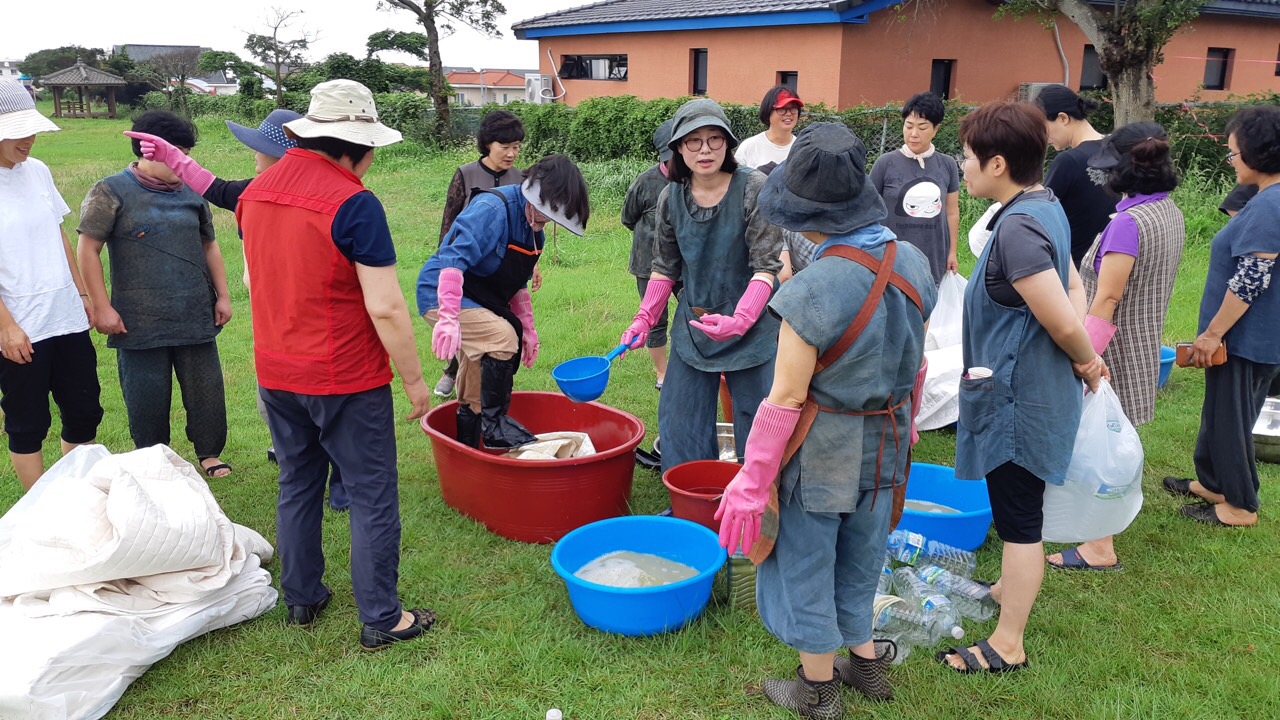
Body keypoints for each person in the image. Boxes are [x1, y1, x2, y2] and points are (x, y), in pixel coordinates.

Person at [716, 122, 935, 716]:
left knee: (807, 561)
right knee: (865, 552)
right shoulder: (913, 261)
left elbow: (784, 400)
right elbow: (916, 359)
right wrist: (909, 425)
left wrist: (752, 481)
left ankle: (817, 691)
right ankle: (866, 666)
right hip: (891, 440)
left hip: (824, 451)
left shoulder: (811, 290)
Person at [235, 79, 435, 650]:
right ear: (358, 146)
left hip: (275, 370)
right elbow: (387, 306)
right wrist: (415, 379)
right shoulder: (355, 203)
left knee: (297, 481)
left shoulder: (255, 192)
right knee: (372, 493)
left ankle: (302, 597)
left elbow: (259, 279)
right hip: (345, 376)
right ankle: (382, 616)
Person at [941, 101, 1105, 674]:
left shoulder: (1018, 230)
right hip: (1024, 385)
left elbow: (1059, 317)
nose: (961, 167)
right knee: (1019, 512)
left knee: (1019, 523)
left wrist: (1087, 361)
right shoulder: (1044, 205)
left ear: (999, 163)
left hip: (1020, 397)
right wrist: (1079, 342)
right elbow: (1072, 284)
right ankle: (1007, 590)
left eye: (966, 157)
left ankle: (1007, 644)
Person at [128, 110, 349, 511]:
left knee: (312, 401)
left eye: (259, 150)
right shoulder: (261, 192)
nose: (253, 155)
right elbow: (216, 188)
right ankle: (309, 468)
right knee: (284, 401)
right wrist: (176, 159)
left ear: (281, 156)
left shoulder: (288, 196)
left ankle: (332, 479)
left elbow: (217, 191)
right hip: (280, 320)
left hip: (307, 321)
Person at [1045, 122, 1184, 571]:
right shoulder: (1168, 211)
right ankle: (1101, 524)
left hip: (1112, 348)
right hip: (1143, 338)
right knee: (1113, 438)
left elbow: (1107, 297)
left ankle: (1099, 545)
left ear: (1124, 172)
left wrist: (1085, 356)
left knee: (1097, 442)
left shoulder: (1128, 224)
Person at [620, 98, 783, 472]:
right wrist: (644, 319)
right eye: (693, 141)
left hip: (752, 328)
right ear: (678, 147)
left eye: (714, 139)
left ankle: (759, 504)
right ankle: (689, 500)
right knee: (680, 420)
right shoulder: (669, 197)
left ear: (728, 143)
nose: (705, 149)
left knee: (757, 421)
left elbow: (766, 267)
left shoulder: (754, 188)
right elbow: (664, 266)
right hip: (694, 326)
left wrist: (741, 319)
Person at [77, 110, 234, 478]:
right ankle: (154, 458)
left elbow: (209, 246)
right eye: (176, 152)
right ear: (148, 150)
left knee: (206, 389)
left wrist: (223, 296)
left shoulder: (194, 192)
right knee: (146, 394)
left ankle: (209, 453)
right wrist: (101, 306)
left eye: (187, 153)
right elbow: (87, 250)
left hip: (195, 311)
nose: (184, 162)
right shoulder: (110, 190)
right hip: (138, 319)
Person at [418, 155, 590, 449]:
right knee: (501, 338)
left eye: (551, 217)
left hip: (483, 296)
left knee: (476, 368)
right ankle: (495, 426)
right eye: (542, 211)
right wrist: (447, 317)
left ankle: (468, 449)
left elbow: (515, 281)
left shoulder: (536, 232)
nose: (543, 221)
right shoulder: (492, 209)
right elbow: (452, 261)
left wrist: (529, 328)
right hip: (442, 291)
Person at [1170, 105, 1280, 528]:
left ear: (1259, 152)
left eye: (1233, 153)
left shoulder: (1271, 204)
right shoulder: (1264, 199)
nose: (1230, 161)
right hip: (1246, 334)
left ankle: (1239, 505)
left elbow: (1252, 277)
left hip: (1248, 336)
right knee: (1221, 410)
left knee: (1232, 419)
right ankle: (1213, 483)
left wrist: (1213, 334)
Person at [0, 80, 103, 491]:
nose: (29, 139)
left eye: (31, 128)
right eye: (17, 131)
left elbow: (58, 235)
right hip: (20, 322)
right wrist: (6, 326)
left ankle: (75, 493)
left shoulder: (37, 171)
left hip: (65, 314)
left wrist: (83, 295)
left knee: (84, 408)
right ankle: (38, 506)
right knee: (28, 418)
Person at [433, 110, 533, 399]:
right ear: (488, 144)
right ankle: (451, 373)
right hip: (464, 266)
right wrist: (446, 264)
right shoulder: (466, 174)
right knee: (467, 319)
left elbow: (528, 230)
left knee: (491, 323)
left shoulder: (521, 179)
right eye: (505, 147)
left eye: (517, 147)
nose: (512, 153)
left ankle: (479, 392)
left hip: (501, 269)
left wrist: (531, 266)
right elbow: (449, 223)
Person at [870, 91, 961, 284]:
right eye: (909, 126)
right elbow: (868, 208)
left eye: (922, 127)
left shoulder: (947, 164)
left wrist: (952, 251)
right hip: (892, 255)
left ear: (936, 129)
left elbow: (952, 212)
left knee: (929, 306)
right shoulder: (885, 163)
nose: (913, 134)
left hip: (933, 255)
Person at [621, 119, 676, 389]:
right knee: (655, 320)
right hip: (648, 264)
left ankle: (695, 367)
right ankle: (662, 374)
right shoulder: (645, 181)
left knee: (697, 313)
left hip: (685, 264)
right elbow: (628, 218)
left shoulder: (694, 180)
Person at [1036, 85, 1116, 267]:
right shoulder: (1117, 149)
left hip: (1071, 265)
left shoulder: (1069, 161)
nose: (1044, 136)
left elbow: (1039, 212)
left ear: (1063, 118)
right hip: (1110, 261)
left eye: (1043, 127)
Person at [734, 86, 804, 169]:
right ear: (768, 112)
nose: (788, 113)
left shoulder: (802, 149)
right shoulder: (749, 147)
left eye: (793, 108)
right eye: (782, 109)